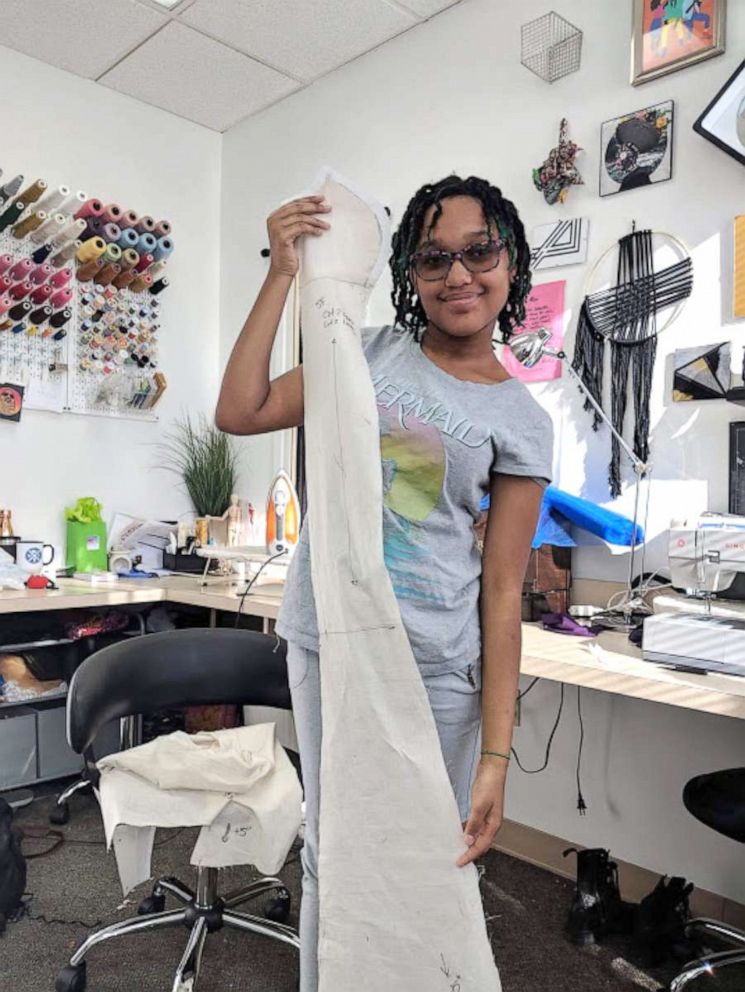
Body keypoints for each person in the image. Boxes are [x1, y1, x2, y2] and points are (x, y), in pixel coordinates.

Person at [216, 174, 554, 991]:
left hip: (434, 667)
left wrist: (497, 760)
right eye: (434, 258)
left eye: (478, 251)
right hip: (328, 640)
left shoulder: (522, 421)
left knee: (425, 856)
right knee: (336, 849)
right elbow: (242, 408)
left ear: (509, 262)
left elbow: (502, 592)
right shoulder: (364, 352)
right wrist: (281, 272)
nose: (458, 274)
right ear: (408, 273)